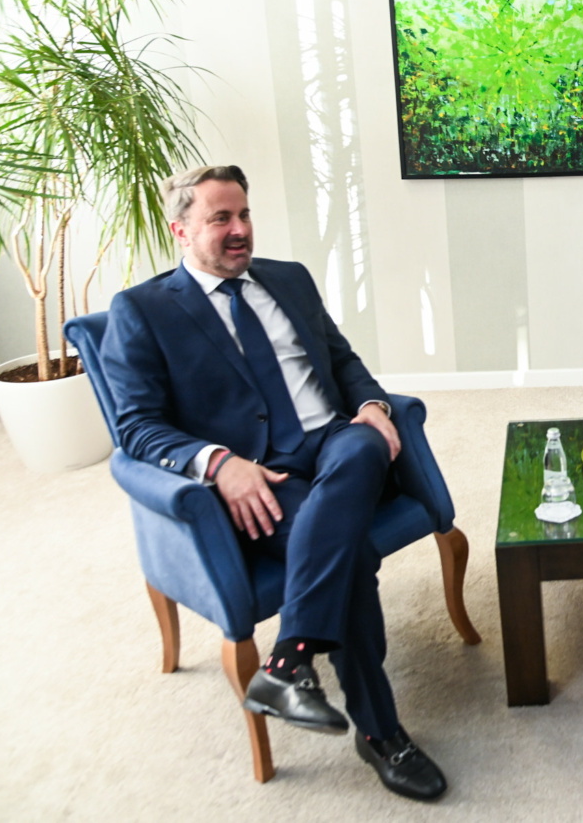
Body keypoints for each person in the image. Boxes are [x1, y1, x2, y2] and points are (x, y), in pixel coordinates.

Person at [101, 165, 446, 801]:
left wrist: (372, 404)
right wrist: (217, 463)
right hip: (262, 476)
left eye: (244, 214)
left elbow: (342, 361)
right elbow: (135, 427)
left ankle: (288, 659)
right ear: (181, 230)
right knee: (350, 555)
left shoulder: (289, 279)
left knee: (368, 441)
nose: (240, 230)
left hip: (335, 443)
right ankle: (381, 733)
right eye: (220, 219)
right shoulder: (143, 310)